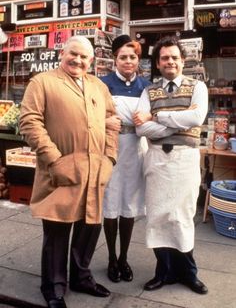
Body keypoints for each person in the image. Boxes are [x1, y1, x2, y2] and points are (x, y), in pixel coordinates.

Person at [19, 35, 118, 308]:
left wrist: (110, 157)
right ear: (63, 53)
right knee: (57, 230)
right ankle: (53, 287)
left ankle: (81, 277)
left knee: (89, 228)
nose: (78, 60)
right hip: (60, 171)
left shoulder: (98, 86)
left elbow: (112, 122)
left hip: (96, 171)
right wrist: (54, 159)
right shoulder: (43, 82)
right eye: (73, 54)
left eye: (84, 57)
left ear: (92, 60)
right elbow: (29, 121)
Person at [133, 36, 208, 295]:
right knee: (158, 216)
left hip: (184, 159)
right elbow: (141, 128)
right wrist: (179, 121)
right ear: (158, 62)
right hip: (157, 160)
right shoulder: (148, 91)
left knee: (183, 216)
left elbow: (197, 117)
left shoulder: (197, 87)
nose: (170, 61)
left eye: (175, 57)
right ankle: (163, 272)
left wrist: (158, 116)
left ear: (182, 61)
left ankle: (188, 273)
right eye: (165, 57)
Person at [100, 35, 150, 283]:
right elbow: (90, 114)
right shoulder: (102, 84)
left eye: (132, 57)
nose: (128, 61)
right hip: (110, 147)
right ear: (114, 59)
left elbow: (154, 115)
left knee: (129, 204)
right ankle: (110, 257)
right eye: (123, 57)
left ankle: (124, 257)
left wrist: (148, 119)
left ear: (138, 59)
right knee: (110, 202)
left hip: (135, 148)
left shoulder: (147, 86)